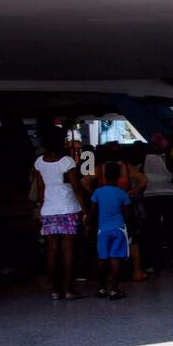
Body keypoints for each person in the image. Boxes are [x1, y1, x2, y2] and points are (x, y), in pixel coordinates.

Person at [33, 127, 89, 300]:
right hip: (67, 207)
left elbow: (41, 188)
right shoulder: (67, 161)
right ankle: (70, 289)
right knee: (68, 249)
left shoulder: (40, 162)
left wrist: (42, 207)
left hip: (49, 209)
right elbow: (76, 187)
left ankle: (56, 290)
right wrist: (85, 210)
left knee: (51, 249)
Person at [89, 143, 148, 282]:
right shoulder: (127, 167)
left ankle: (107, 276)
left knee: (103, 245)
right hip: (124, 208)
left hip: (104, 212)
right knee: (132, 240)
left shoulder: (100, 168)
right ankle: (137, 271)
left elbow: (84, 181)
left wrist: (96, 195)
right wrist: (134, 191)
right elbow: (144, 180)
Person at [91, 162, 133, 300]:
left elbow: (93, 212)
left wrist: (90, 225)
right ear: (119, 176)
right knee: (116, 258)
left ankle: (102, 288)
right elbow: (127, 215)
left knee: (102, 258)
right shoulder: (122, 193)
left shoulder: (98, 192)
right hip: (119, 228)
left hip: (103, 229)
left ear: (104, 175)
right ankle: (114, 290)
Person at [141, 132, 173, 273]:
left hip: (150, 195)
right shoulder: (168, 156)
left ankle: (152, 263)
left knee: (152, 230)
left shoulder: (143, 156)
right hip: (168, 195)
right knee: (171, 229)